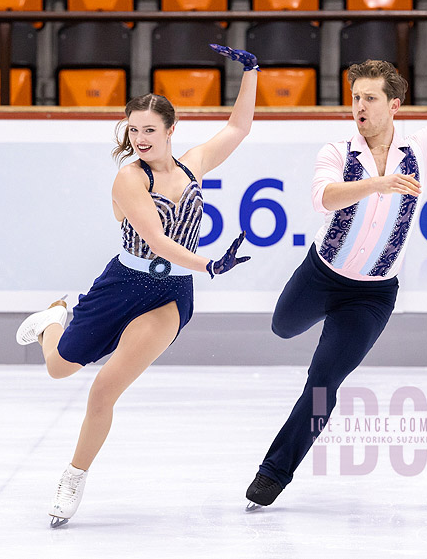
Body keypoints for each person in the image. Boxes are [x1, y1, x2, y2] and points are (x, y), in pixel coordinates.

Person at [245, 12, 427, 510]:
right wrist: (376, 183)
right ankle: (303, 333)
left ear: (393, 104)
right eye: (355, 97)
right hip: (321, 274)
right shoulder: (337, 149)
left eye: (369, 98)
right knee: (282, 327)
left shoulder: (420, 149)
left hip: (373, 293)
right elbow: (323, 198)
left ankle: (275, 472)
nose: (359, 105)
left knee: (324, 383)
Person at [16, 44, 259, 527]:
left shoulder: (193, 165)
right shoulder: (129, 178)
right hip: (122, 282)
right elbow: (158, 240)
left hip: (169, 297)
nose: (141, 137)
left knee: (104, 390)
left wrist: (251, 72)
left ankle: (73, 477)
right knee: (59, 369)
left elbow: (238, 128)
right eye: (134, 129)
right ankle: (54, 318)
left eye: (150, 129)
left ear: (171, 131)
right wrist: (209, 265)